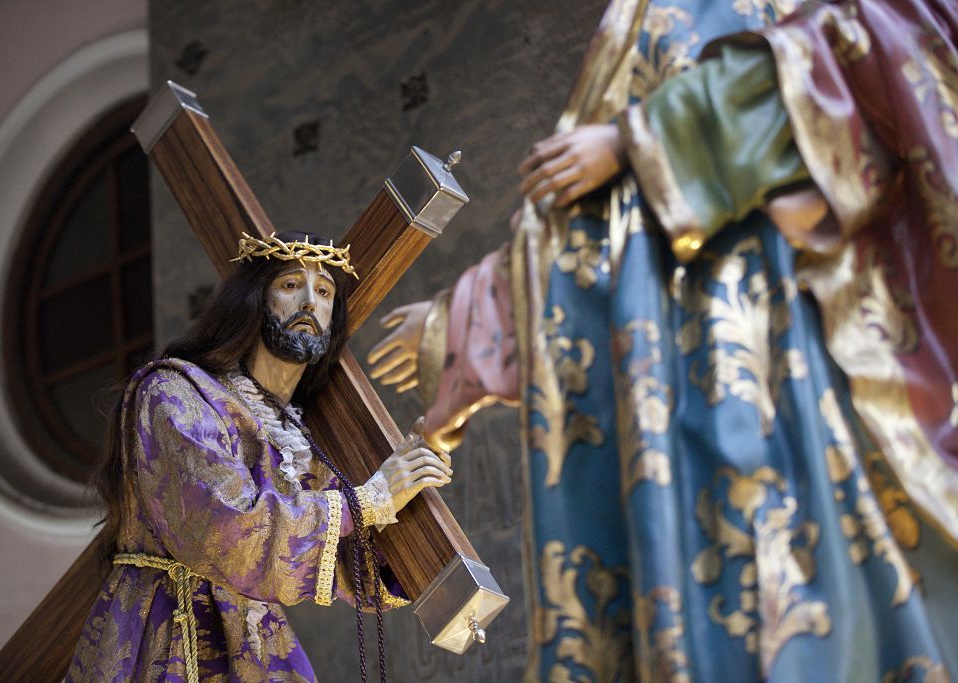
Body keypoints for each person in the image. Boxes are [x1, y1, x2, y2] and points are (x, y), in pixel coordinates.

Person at [369, 0, 958, 680]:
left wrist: (642, 137)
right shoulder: (658, 19)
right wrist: (467, 319)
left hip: (796, 378)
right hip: (687, 407)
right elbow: (610, 231)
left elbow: (861, 65)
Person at [66, 231, 452, 682]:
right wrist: (370, 500)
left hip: (254, 644)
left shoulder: (297, 439)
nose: (310, 301)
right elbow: (225, 528)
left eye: (324, 292)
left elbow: (341, 563)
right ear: (253, 301)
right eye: (291, 286)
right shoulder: (176, 393)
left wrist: (412, 495)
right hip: (167, 635)